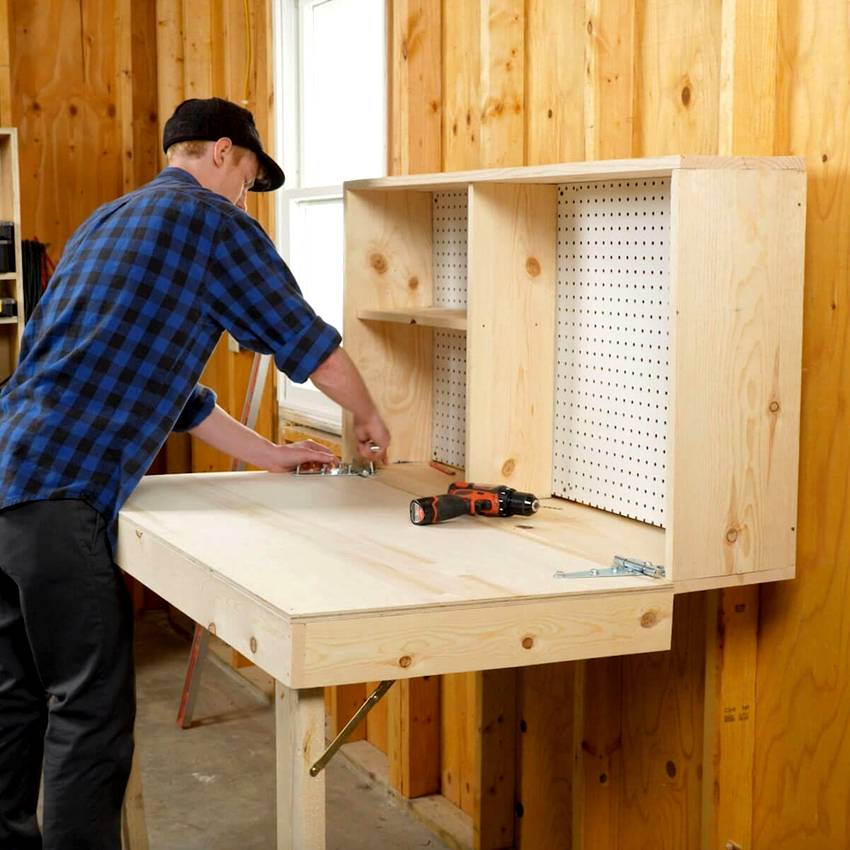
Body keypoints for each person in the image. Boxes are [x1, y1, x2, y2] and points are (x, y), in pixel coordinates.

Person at [0, 96, 390, 849]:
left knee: (14, 698)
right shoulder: (214, 224)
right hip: (58, 497)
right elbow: (308, 345)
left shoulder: (108, 222)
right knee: (88, 710)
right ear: (221, 152)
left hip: (7, 472)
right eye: (248, 177)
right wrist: (369, 415)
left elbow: (171, 393)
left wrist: (271, 454)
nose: (246, 195)